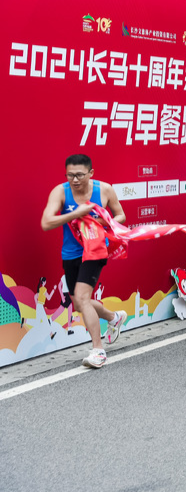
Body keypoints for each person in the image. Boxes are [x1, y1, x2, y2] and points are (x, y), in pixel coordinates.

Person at [40, 154, 128, 368]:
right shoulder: (60, 191)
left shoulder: (104, 189)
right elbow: (46, 223)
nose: (75, 179)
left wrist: (101, 222)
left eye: (79, 175)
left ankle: (98, 351)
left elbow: (121, 216)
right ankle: (114, 317)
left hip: (95, 250)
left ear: (91, 173)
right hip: (70, 253)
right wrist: (76, 214)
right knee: (80, 303)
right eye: (70, 175)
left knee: (81, 297)